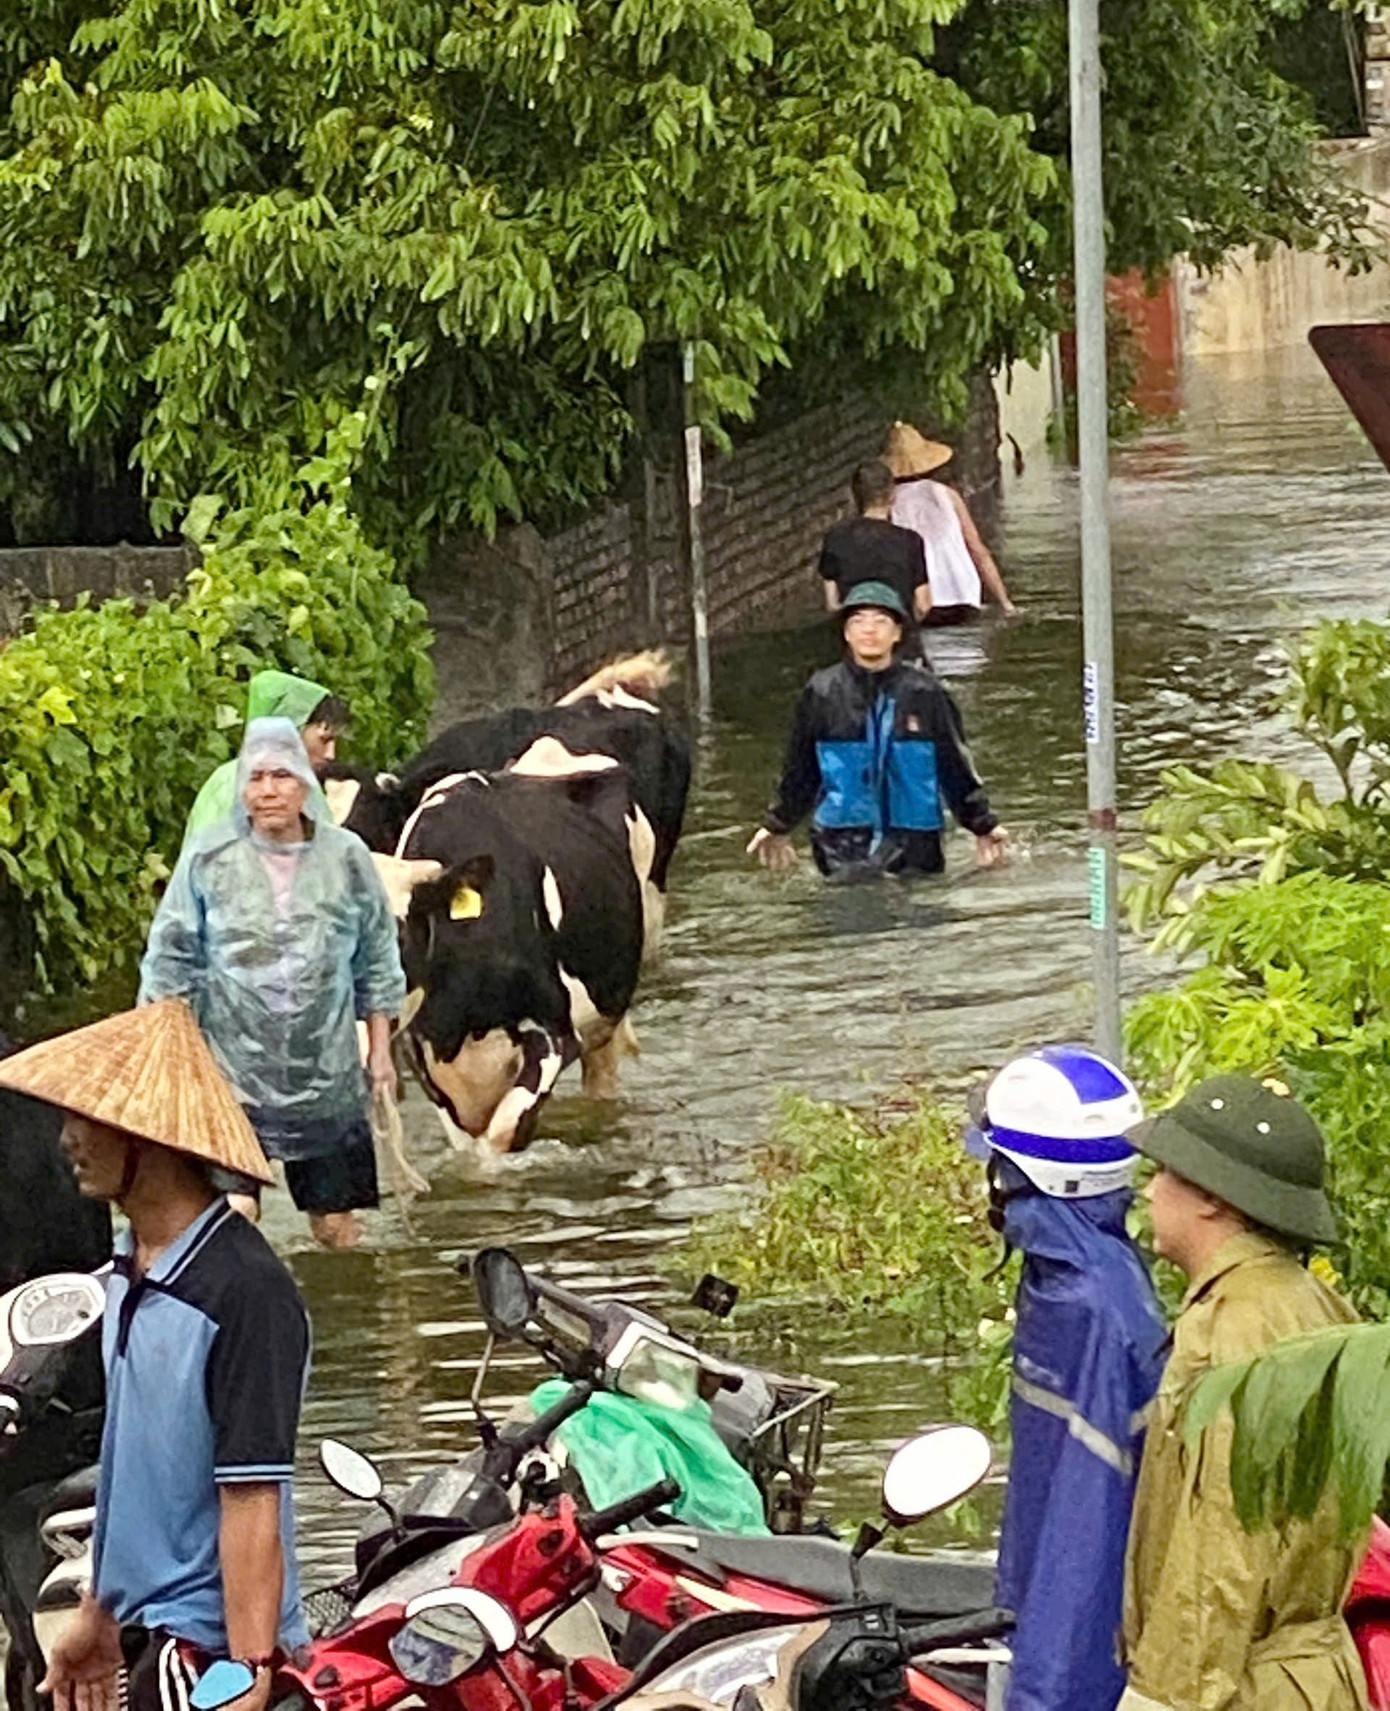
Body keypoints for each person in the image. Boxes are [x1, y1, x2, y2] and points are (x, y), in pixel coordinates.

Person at [0, 997, 310, 1711]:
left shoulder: (245, 1293)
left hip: (200, 1650)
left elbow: (251, 1496)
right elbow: (134, 1475)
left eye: (89, 1120)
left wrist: (251, 1669)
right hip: (141, 1635)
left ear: (152, 1136)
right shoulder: (130, 1277)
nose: (67, 1139)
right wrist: (101, 1613)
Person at [1120, 1075, 1367, 1711]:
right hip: (1301, 1680)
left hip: (1242, 1687)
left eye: (1166, 1172)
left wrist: (1160, 1700)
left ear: (1211, 1197)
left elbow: (1225, 1543)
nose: (1150, 1190)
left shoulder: (1237, 1326)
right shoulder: (1303, 1301)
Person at [141, 716, 406, 1249]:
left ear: (305, 783)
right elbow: (170, 959)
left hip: (326, 1077)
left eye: (281, 776)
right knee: (234, 1216)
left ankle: (345, 1321)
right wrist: (163, 1056)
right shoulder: (210, 857)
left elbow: (377, 959)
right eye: (255, 777)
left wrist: (380, 1057)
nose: (267, 792)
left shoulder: (346, 859)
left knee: (335, 1231)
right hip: (232, 1076)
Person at [967, 1046, 1168, 1711]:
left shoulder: (1098, 1316)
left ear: (1018, 1177)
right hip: (1038, 1617)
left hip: (1079, 1653)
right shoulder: (1071, 1275)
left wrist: (1041, 1695)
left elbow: (1087, 1533)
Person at [747, 581, 1008, 879]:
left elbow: (953, 762)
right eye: (858, 621)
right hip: (841, 840)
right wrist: (778, 824)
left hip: (915, 838)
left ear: (897, 633)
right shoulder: (822, 691)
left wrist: (982, 824)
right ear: (846, 633)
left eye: (880, 621)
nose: (869, 630)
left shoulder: (925, 691)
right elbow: (801, 766)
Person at [182, 669, 348, 846]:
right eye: (324, 740)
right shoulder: (229, 785)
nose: (331, 754)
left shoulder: (309, 790)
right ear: (293, 728)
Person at [883, 422, 1017, 622]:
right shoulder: (947, 495)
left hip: (922, 598)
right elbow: (977, 549)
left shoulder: (889, 502)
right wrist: (1005, 602)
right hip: (961, 590)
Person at [819, 460, 931, 626]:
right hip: (897, 634)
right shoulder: (910, 541)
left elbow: (832, 604)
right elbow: (922, 606)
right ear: (892, 495)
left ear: (853, 496)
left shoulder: (835, 537)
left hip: (855, 636)